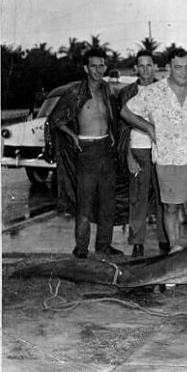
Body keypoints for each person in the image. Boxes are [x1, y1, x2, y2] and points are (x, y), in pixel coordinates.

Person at [121, 48, 187, 253]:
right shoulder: (153, 91)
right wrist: (149, 127)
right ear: (169, 68)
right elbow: (126, 111)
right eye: (179, 67)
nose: (184, 72)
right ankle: (175, 248)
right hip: (169, 156)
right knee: (171, 207)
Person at [49, 48, 121, 258]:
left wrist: (113, 134)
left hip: (106, 150)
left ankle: (104, 245)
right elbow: (56, 119)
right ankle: (81, 249)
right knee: (85, 204)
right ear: (85, 68)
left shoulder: (107, 90)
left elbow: (112, 117)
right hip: (87, 151)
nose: (98, 70)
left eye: (102, 65)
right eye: (94, 66)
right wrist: (72, 136)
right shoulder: (75, 92)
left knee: (108, 203)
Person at [117, 50, 168, 257]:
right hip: (137, 149)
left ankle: (166, 240)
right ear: (135, 68)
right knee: (138, 198)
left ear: (155, 67)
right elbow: (121, 128)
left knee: (164, 197)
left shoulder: (164, 90)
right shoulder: (127, 93)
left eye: (149, 65)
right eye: (141, 65)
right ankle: (138, 242)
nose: (145, 70)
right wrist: (129, 155)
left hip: (163, 151)